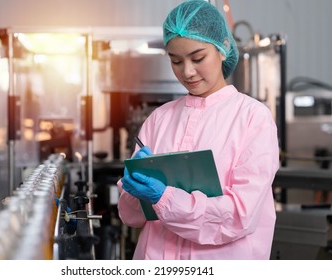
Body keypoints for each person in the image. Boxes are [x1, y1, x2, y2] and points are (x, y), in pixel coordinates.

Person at [117, 0, 279, 260]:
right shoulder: (159, 119)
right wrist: (131, 189)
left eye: (198, 58)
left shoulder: (252, 118)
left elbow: (240, 215)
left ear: (223, 48)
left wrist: (165, 198)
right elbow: (132, 218)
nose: (187, 72)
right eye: (176, 61)